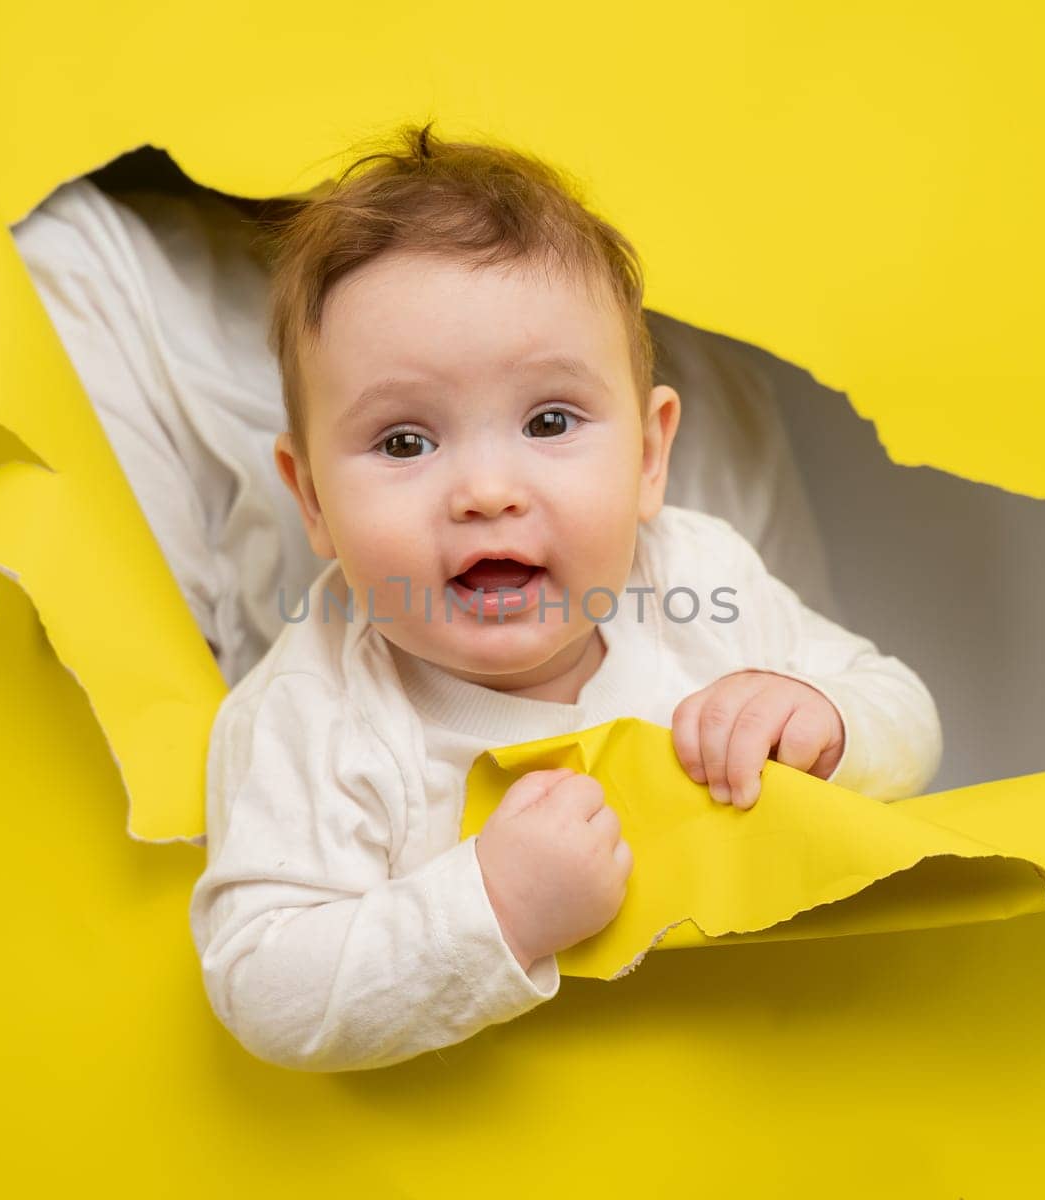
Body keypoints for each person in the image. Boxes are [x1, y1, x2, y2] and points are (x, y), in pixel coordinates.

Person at [189, 125, 941, 1071]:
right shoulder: (314, 712)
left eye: (549, 420)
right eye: (404, 443)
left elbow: (907, 711)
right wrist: (491, 907)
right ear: (314, 503)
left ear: (648, 456)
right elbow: (262, 982)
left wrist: (827, 724)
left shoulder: (695, 578)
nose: (486, 491)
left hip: (767, 1067)